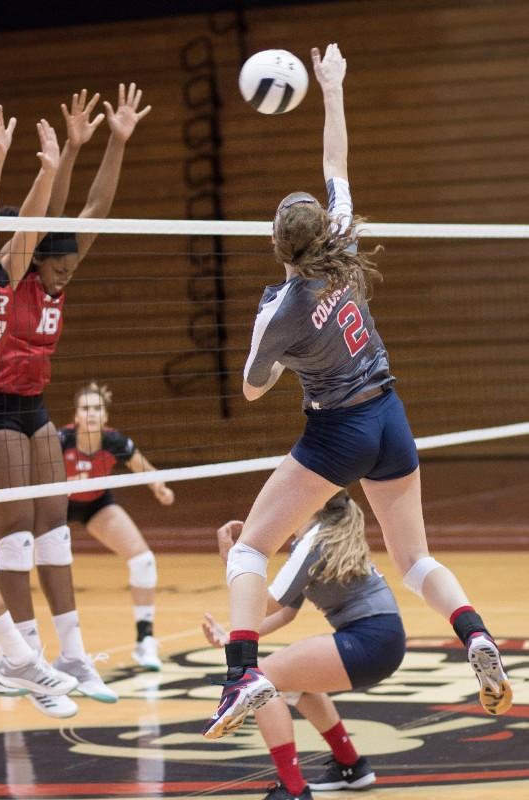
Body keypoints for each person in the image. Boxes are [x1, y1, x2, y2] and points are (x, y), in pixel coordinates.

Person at [203, 43, 511, 740]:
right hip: (390, 415)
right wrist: (333, 85)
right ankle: (474, 635)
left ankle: (241, 673)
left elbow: (252, 390)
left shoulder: (277, 309)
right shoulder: (340, 239)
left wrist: (281, 352)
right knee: (415, 560)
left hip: (337, 432)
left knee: (250, 550)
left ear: (277, 242)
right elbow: (335, 164)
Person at [0, 84, 151, 718]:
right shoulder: (14, 270)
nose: (66, 273)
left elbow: (95, 210)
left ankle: (72, 654)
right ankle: (23, 661)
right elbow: (42, 217)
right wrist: (50, 164)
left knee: (55, 526)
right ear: (35, 261)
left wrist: (113, 139)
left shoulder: (57, 278)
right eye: (58, 265)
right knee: (18, 537)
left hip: (31, 406)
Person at [204, 492, 403, 798]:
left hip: (369, 639)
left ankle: (294, 789)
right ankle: (351, 765)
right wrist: (234, 636)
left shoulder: (315, 540)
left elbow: (267, 602)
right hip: (382, 640)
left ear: (307, 505)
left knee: (261, 679)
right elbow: (285, 613)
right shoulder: (316, 539)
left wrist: (233, 563)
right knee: (296, 683)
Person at [0, 108, 79, 704]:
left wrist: (44, 169)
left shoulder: (1, 279)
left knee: (17, 537)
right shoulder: (2, 275)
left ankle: (21, 661)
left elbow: (19, 232)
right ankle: (19, 660)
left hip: (7, 410)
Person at [59, 381, 175, 670]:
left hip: (96, 505)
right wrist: (63, 485)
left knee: (144, 560)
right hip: (56, 506)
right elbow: (34, 479)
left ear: (105, 416)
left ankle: (144, 641)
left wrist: (159, 488)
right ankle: (13, 640)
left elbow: (145, 469)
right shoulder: (59, 441)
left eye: (97, 408)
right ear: (76, 416)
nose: (91, 414)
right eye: (85, 408)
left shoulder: (114, 442)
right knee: (21, 559)